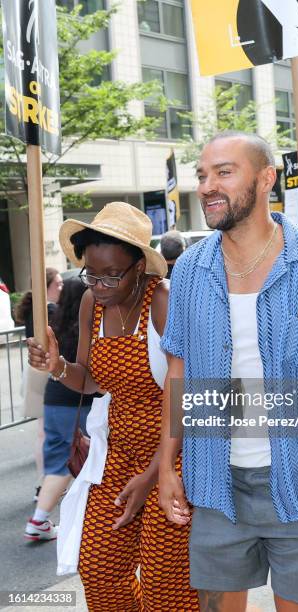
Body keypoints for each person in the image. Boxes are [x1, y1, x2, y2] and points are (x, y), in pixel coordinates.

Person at [158, 132, 298, 612]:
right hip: (216, 484)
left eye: (224, 172)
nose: (206, 186)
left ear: (265, 179)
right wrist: (166, 465)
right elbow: (179, 372)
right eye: (202, 174)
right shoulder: (190, 270)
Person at [28, 202, 198, 611]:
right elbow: (90, 379)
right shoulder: (92, 302)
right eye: (92, 274)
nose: (100, 285)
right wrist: (57, 366)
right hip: (118, 453)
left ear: (140, 266)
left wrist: (154, 472)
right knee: (100, 567)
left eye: (111, 275)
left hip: (174, 453)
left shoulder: (162, 302)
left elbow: (190, 397)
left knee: (165, 584)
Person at [25, 278, 95, 541]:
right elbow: (90, 377)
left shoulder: (53, 324)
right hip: (79, 403)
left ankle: (39, 517)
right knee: (91, 460)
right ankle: (48, 518)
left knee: (58, 460)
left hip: (53, 399)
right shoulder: (85, 328)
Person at [15, 267, 63, 501]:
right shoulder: (49, 310)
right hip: (45, 374)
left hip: (35, 373)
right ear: (48, 286)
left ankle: (44, 483)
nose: (61, 287)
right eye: (58, 283)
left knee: (44, 432)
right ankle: (45, 484)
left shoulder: (34, 308)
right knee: (48, 433)